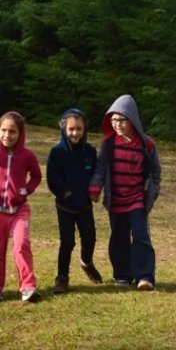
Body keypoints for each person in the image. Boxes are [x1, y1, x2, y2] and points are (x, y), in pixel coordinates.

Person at [88, 94, 162, 291]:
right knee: (118, 236)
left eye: (122, 119)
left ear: (132, 119)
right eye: (113, 120)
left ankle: (145, 276)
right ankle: (122, 274)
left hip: (138, 198)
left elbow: (155, 171)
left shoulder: (147, 144)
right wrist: (95, 188)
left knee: (140, 235)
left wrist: (154, 191)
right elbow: (101, 168)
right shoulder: (109, 144)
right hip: (116, 200)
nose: (117, 124)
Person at [0, 111, 43, 303]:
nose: (7, 135)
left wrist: (25, 191)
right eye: (3, 131)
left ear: (20, 134)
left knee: (21, 245)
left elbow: (37, 176)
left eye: (12, 132)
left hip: (19, 210)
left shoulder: (28, 156)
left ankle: (28, 287)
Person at [46, 108, 103, 294]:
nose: (75, 133)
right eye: (71, 129)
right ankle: (62, 278)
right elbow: (53, 179)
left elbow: (96, 174)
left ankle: (86, 262)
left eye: (79, 129)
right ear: (63, 128)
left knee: (90, 239)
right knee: (67, 242)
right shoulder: (57, 152)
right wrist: (66, 194)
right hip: (65, 206)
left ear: (84, 129)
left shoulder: (90, 151)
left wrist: (94, 191)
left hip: (85, 205)